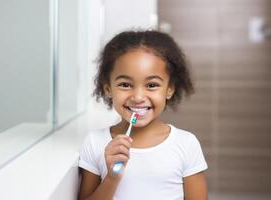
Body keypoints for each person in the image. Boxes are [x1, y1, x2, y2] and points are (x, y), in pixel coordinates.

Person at [78, 30, 208, 200]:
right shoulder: (95, 143)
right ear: (108, 88)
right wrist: (112, 178)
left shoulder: (186, 144)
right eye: (125, 84)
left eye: (152, 85)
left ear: (169, 89)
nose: (138, 97)